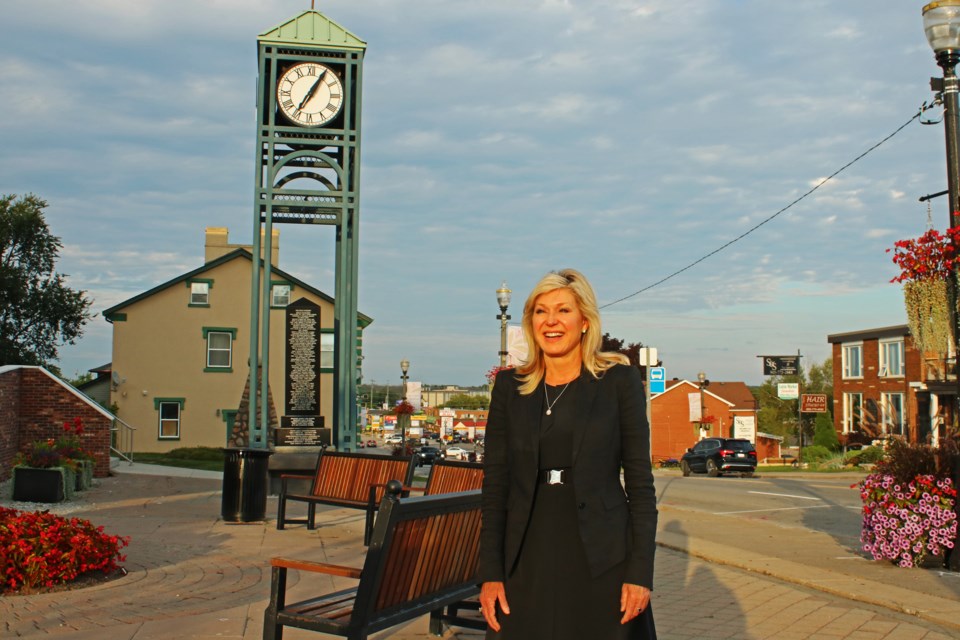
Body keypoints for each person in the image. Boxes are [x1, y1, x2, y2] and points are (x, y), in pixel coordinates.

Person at [479, 268, 658, 639]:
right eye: (541, 311)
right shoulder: (510, 387)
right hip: (526, 554)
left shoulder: (618, 382)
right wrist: (491, 573)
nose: (551, 321)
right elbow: (496, 486)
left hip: (602, 556)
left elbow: (641, 485)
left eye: (563, 311)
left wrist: (640, 573)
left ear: (584, 322)